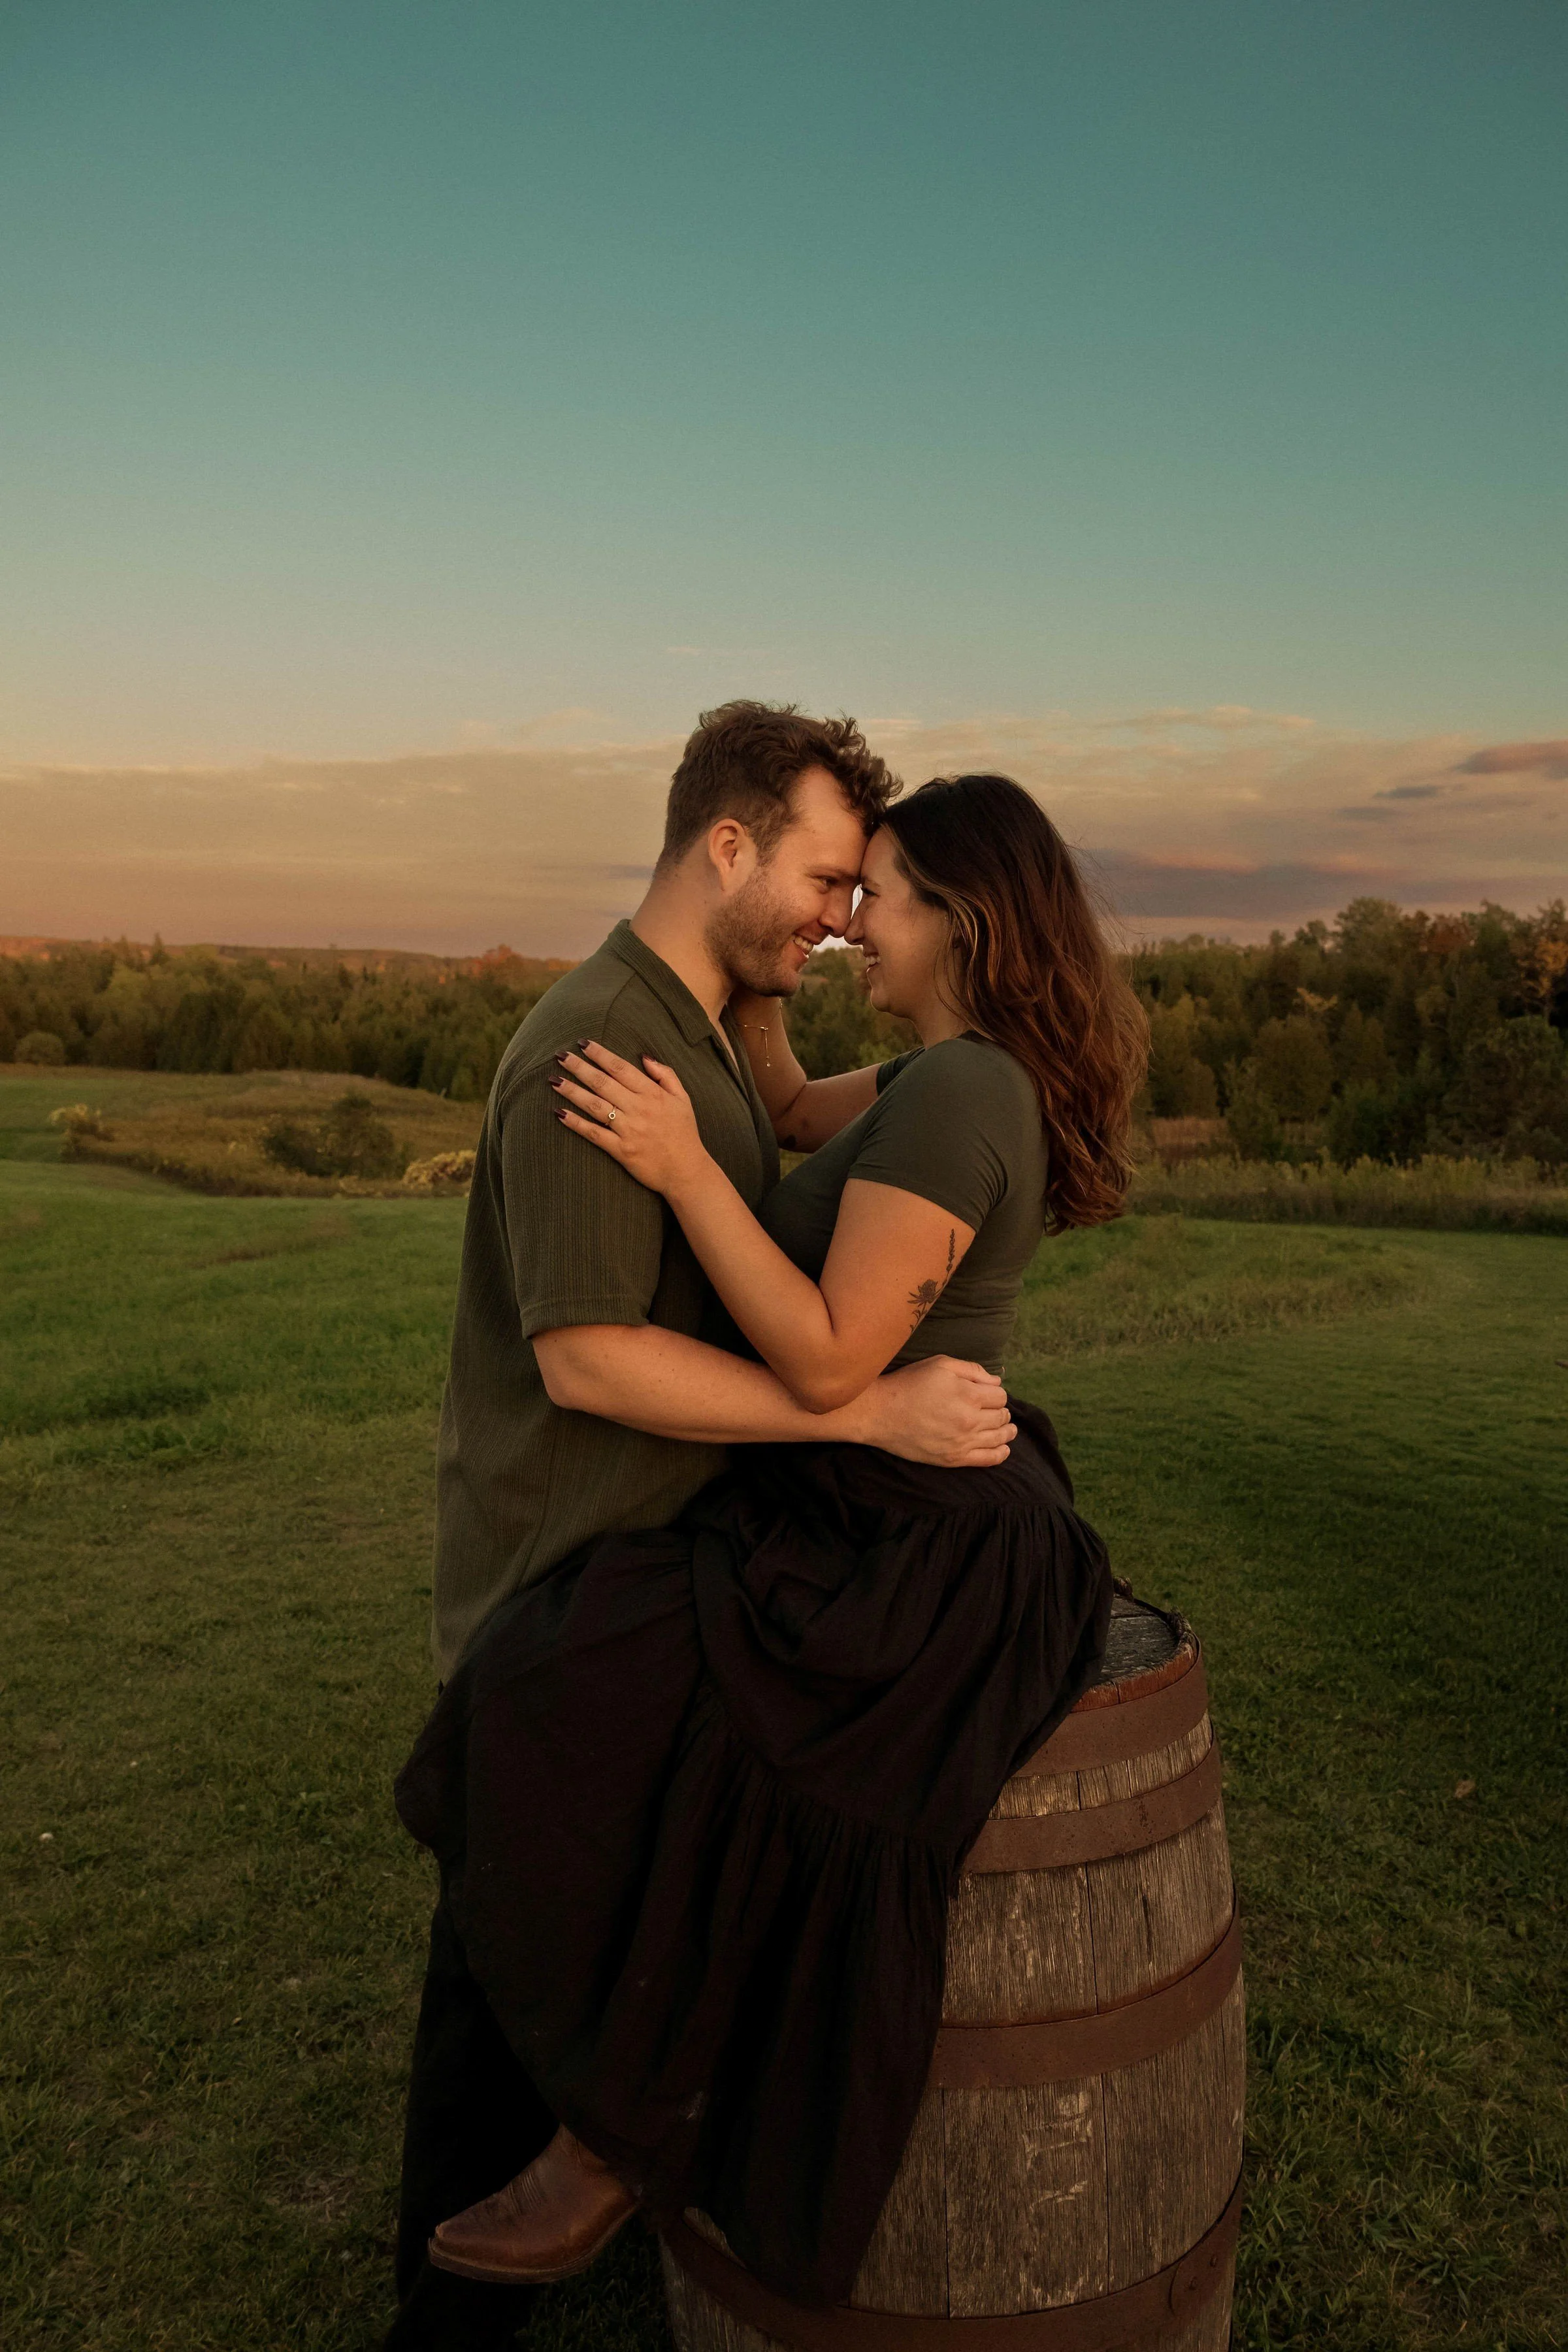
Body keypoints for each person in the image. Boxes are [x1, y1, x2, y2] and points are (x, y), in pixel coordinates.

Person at [393, 771, 1149, 2317]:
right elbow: (798, 1112)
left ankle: (620, 2130)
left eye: (880, 898)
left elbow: (822, 1361)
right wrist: (753, 962)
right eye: (840, 889)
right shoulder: (937, 1069)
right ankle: (594, 2096)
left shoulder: (966, 1096)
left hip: (913, 1516)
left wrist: (679, 1166)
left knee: (597, 1696)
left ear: (963, 920)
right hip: (878, 1488)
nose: (854, 924)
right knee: (604, 1697)